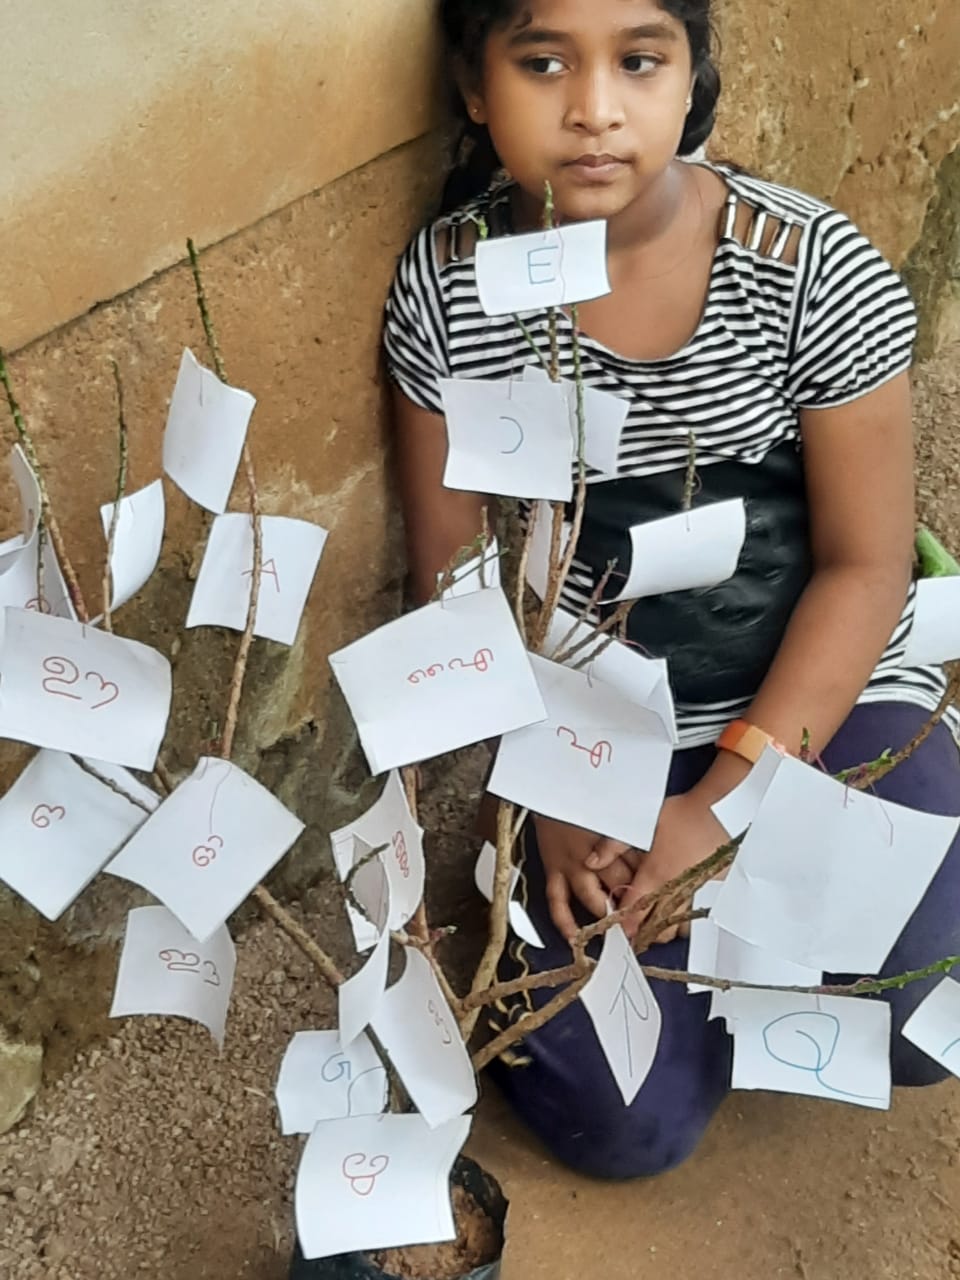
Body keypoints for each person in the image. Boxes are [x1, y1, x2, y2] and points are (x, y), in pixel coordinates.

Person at [383, 0, 960, 1179]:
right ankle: (685, 964)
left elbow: (865, 564)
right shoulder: (448, 294)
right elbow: (456, 583)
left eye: (640, 61)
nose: (595, 109)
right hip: (598, 729)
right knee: (623, 1124)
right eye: (544, 63)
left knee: (922, 1012)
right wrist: (549, 787)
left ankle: (768, 926)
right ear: (475, 87)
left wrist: (723, 807)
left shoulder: (810, 270)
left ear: (692, 77)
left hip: (823, 694)